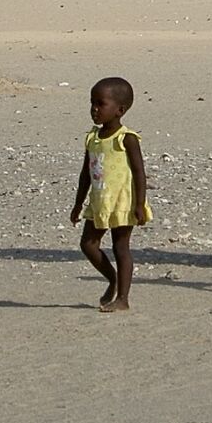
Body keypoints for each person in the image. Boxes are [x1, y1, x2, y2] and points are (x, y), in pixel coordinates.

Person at [71, 77, 149, 312]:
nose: (94, 109)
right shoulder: (92, 138)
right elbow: (85, 174)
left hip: (122, 203)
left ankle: (123, 298)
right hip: (99, 202)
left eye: (100, 104)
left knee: (120, 248)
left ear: (119, 110)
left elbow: (139, 173)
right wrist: (77, 204)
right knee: (88, 245)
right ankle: (112, 279)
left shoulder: (127, 138)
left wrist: (140, 204)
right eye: (92, 103)